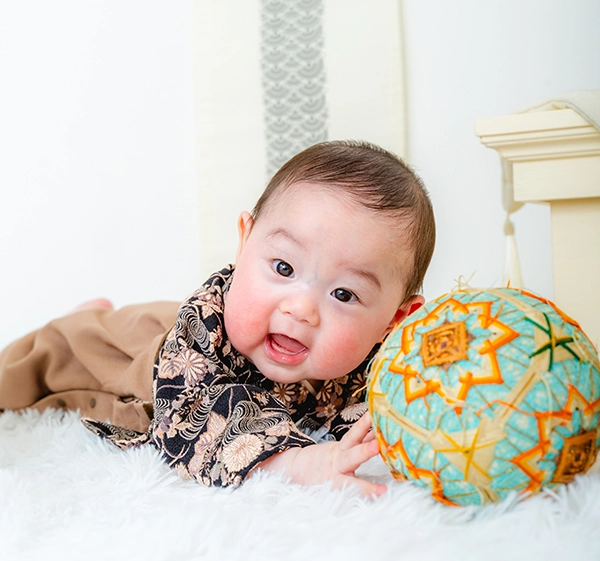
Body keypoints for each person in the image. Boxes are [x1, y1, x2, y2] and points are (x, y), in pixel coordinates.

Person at [0, 140, 435, 497]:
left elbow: (375, 416)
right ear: (245, 242)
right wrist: (298, 461)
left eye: (344, 294)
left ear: (394, 321)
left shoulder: (378, 361)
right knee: (31, 364)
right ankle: (86, 319)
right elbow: (204, 415)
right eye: (284, 268)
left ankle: (96, 313)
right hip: (132, 353)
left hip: (167, 323)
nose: (300, 309)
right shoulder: (201, 329)